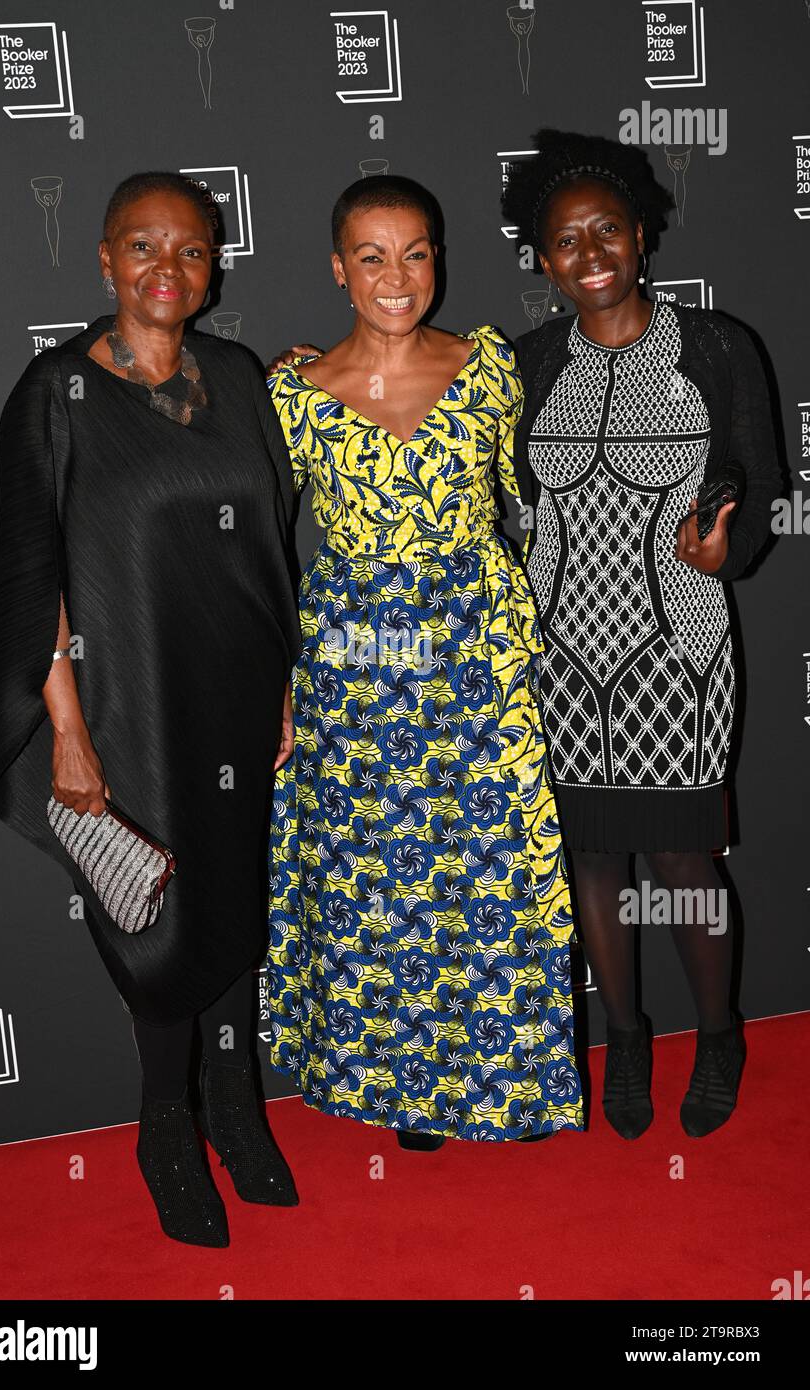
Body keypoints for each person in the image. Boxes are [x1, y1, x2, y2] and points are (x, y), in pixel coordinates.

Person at [0, 171, 303, 1246]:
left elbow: (270, 547)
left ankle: (237, 1109)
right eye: (143, 247)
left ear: (214, 267)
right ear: (105, 259)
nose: (168, 269)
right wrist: (70, 733)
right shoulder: (55, 391)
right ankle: (166, 1127)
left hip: (235, 695)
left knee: (234, 910)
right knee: (159, 923)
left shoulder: (237, 377)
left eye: (192, 250)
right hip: (127, 706)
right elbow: (34, 579)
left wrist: (284, 685)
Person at [264, 176, 583, 1149]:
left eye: (415, 253)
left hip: (474, 651)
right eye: (372, 256)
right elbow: (263, 551)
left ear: (437, 258)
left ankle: (504, 1074)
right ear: (338, 269)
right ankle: (408, 1087)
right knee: (380, 878)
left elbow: (545, 497)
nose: (396, 276)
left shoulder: (489, 367)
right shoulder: (294, 395)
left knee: (495, 862)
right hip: (356, 662)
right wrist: (281, 685)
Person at [502, 130, 781, 1139]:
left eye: (606, 230)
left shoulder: (715, 347)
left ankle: (719, 1034)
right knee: (590, 860)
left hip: (680, 651)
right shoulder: (528, 364)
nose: (590, 253)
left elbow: (761, 486)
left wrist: (731, 545)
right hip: (561, 659)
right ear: (543, 260)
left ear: (642, 234)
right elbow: (495, 491)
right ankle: (623, 1035)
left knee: (681, 860)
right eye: (565, 240)